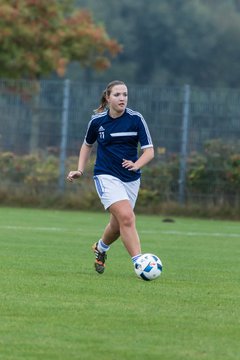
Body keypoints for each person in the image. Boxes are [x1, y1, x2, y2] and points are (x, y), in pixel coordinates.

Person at [67, 80, 154, 275]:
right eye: (117, 95)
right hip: (105, 175)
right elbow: (87, 145)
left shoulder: (136, 119)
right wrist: (80, 170)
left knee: (117, 224)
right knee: (127, 217)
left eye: (125, 94)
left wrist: (136, 164)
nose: (122, 98)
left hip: (130, 178)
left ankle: (101, 248)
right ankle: (140, 263)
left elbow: (149, 152)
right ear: (108, 98)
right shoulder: (97, 122)